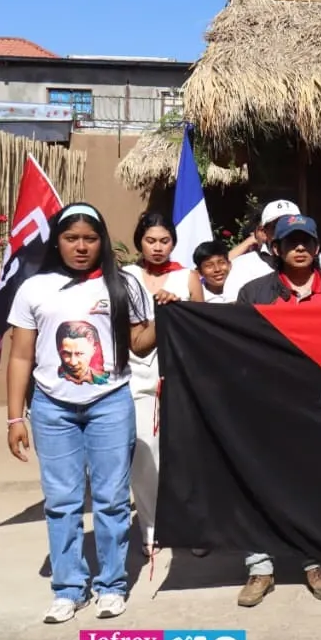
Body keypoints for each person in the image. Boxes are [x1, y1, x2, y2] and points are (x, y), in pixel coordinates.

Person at [6, 203, 156, 623]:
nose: (81, 246)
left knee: (111, 499)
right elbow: (20, 357)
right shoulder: (34, 288)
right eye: (71, 238)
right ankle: (69, 588)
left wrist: (164, 314)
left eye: (90, 238)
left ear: (102, 241)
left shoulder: (123, 283)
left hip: (110, 403)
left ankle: (111, 585)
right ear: (57, 241)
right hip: (51, 408)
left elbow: (140, 343)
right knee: (62, 501)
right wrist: (15, 418)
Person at [236, 214, 321, 606]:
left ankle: (314, 562)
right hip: (265, 403)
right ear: (276, 248)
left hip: (320, 404)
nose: (299, 248)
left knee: (315, 485)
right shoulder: (253, 292)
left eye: (306, 241)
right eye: (290, 242)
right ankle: (260, 567)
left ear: (317, 247)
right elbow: (236, 347)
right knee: (256, 481)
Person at [123, 212, 201, 557]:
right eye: (150, 240)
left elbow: (202, 327)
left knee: (187, 455)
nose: (157, 247)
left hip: (181, 377)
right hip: (136, 377)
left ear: (174, 243)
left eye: (164, 241)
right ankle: (151, 528)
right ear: (140, 241)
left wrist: (179, 309)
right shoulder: (125, 277)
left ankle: (194, 527)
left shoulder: (188, 277)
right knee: (146, 456)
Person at [222, 199, 302, 300]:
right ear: (264, 232)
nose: (285, 231)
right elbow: (233, 307)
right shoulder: (242, 266)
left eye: (291, 224)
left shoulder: (320, 262)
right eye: (277, 226)